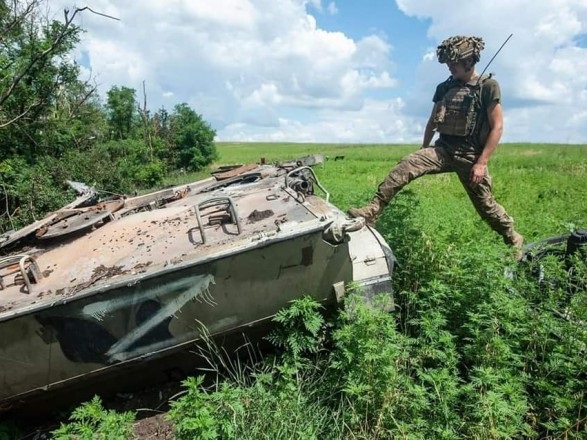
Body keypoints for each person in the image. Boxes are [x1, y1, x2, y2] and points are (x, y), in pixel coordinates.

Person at [348, 35, 523, 251]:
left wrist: (481, 163)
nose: (450, 67)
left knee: (485, 206)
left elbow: (497, 127)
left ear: (469, 61)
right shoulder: (444, 88)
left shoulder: (488, 86)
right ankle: (372, 211)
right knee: (406, 165)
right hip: (443, 150)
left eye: (454, 63)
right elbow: (432, 121)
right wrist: (423, 151)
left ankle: (513, 238)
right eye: (448, 63)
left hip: (470, 156)